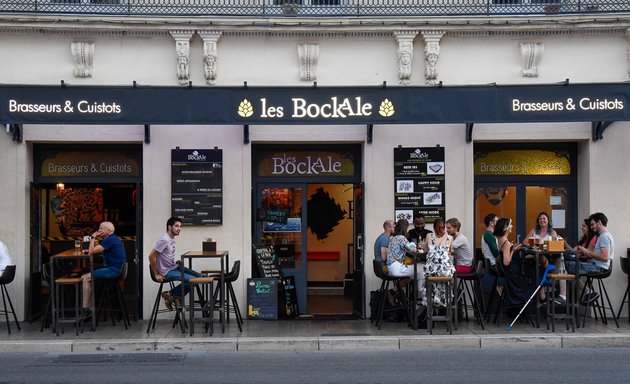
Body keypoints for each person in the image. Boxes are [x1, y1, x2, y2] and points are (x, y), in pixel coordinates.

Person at [149, 216, 202, 310]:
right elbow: (151, 256)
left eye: (180, 226)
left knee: (200, 277)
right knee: (193, 280)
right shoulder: (164, 240)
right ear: (169, 227)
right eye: (176, 226)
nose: (179, 229)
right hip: (166, 271)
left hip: (174, 267)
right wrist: (156, 273)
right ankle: (171, 295)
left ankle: (173, 296)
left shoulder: (171, 238)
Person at [568, 212, 615, 304]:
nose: (592, 227)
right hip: (597, 266)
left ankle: (566, 297)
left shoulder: (604, 237)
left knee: (566, 266)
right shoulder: (604, 235)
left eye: (593, 224)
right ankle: (587, 292)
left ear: (599, 223)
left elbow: (605, 257)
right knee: (567, 266)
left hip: (598, 268)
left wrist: (586, 251)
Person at [81, 222, 126, 314]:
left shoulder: (109, 240)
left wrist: (93, 237)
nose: (98, 230)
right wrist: (90, 250)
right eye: (99, 228)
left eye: (101, 228)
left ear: (108, 231)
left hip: (114, 270)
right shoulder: (113, 238)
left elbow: (91, 252)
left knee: (85, 278)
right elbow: (97, 250)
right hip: (117, 269)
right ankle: (90, 307)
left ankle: (86, 309)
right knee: (89, 275)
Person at [494, 218, 536, 305]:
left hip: (509, 272)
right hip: (513, 273)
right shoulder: (506, 242)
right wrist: (513, 250)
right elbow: (506, 262)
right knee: (534, 271)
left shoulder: (500, 239)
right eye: (510, 224)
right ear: (506, 228)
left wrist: (512, 248)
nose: (512, 226)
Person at [386, 219, 423, 293]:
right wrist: (416, 246)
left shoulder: (392, 238)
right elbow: (413, 249)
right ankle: (420, 293)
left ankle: (394, 292)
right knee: (422, 267)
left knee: (416, 275)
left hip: (390, 268)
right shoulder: (401, 237)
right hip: (397, 268)